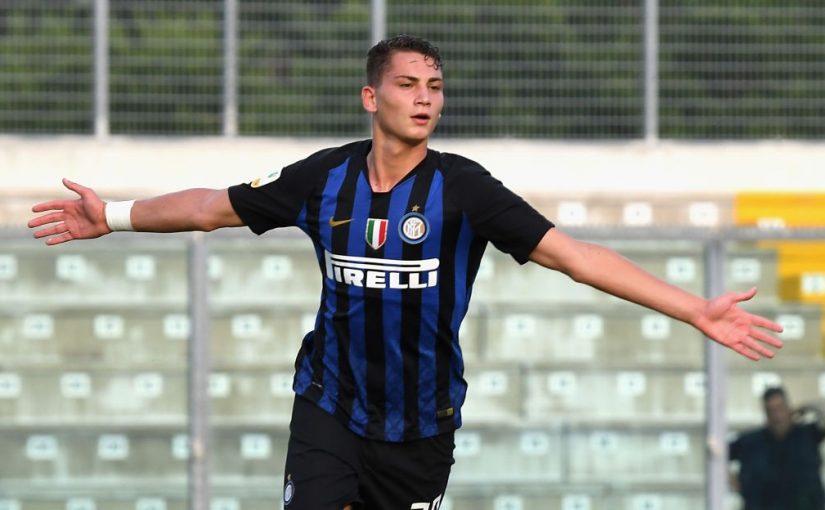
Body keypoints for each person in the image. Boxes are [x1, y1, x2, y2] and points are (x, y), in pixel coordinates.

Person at [28, 35, 784, 510]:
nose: (424, 98)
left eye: (435, 87)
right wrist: (113, 215)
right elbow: (209, 207)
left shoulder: (464, 190)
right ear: (371, 96)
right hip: (329, 402)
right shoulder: (323, 179)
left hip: (421, 424)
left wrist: (693, 309)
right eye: (407, 85)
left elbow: (576, 257)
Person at [729, 387, 825, 510]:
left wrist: (807, 407)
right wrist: (730, 478)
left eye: (780, 408)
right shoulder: (751, 442)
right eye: (771, 411)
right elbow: (719, 454)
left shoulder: (807, 434)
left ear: (788, 408)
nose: (777, 416)